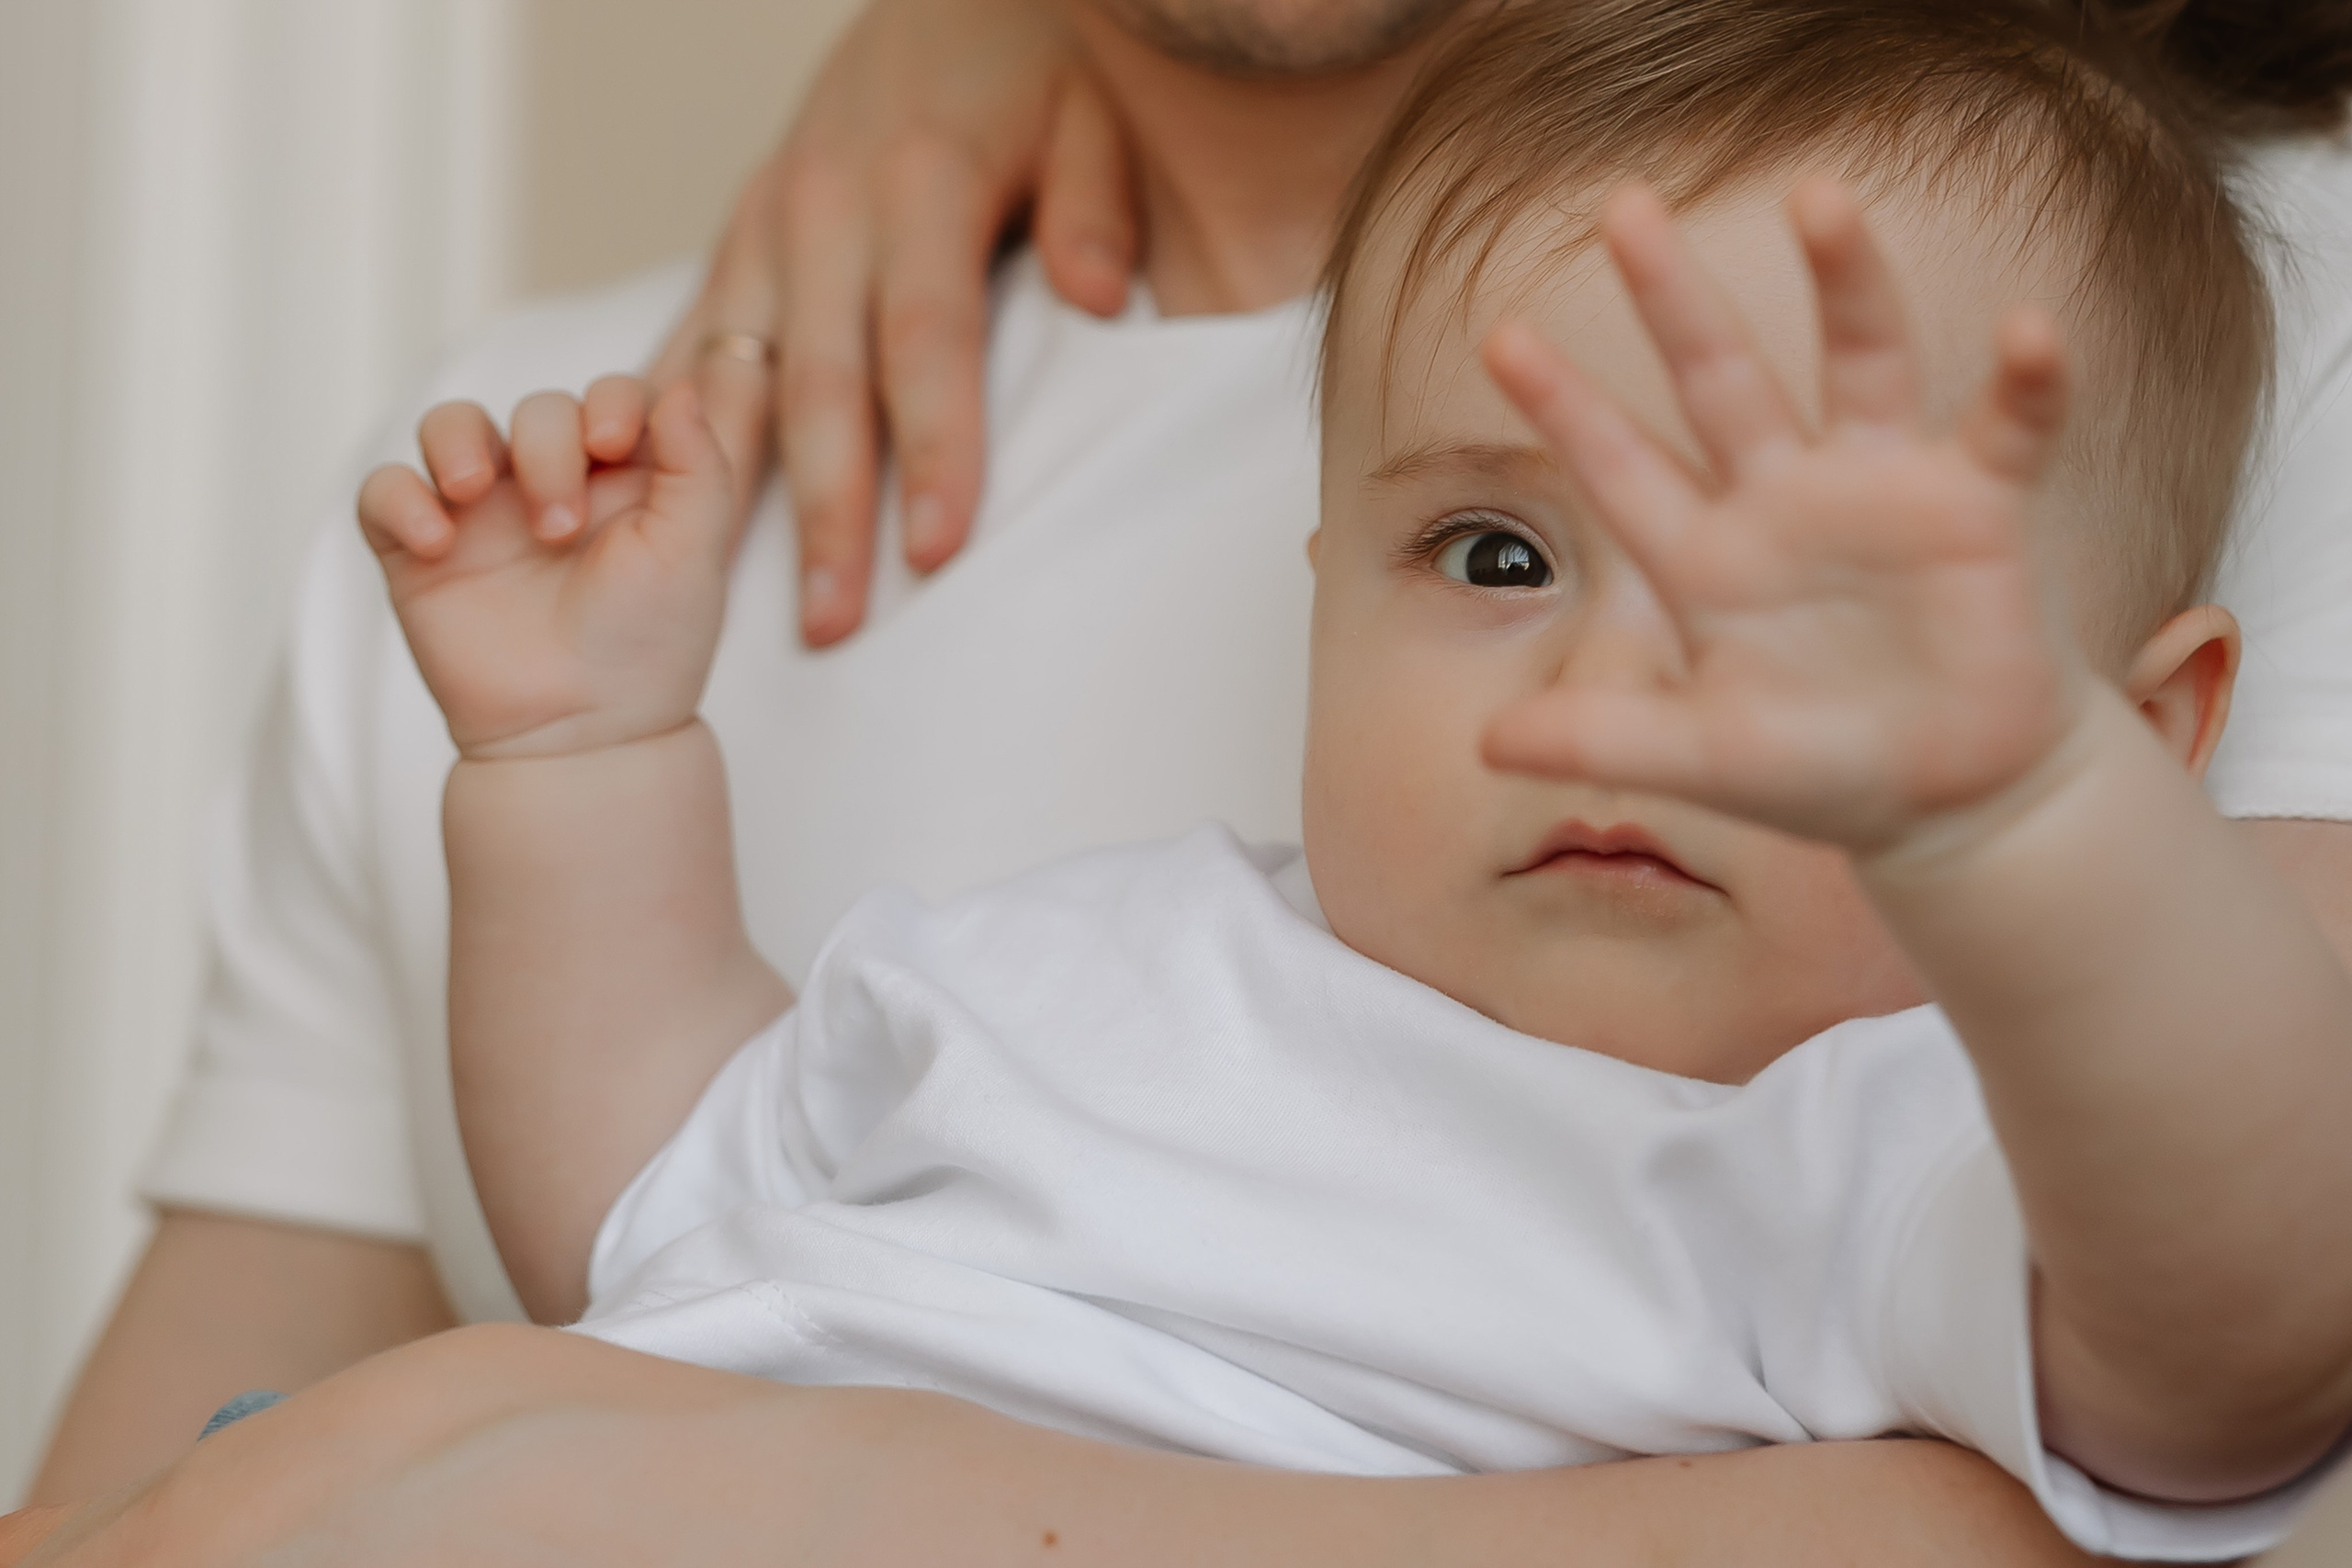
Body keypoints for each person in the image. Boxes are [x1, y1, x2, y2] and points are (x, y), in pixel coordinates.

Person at [16, 0, 2350, 1558]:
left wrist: (2032, 831)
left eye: (1807, 604)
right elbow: (650, 1189)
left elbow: (2237, 1343)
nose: (1626, 674)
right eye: (1495, 550)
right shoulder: (1105, 967)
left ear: (2146, 721)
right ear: (1314, 578)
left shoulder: (1879, 1144)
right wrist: (577, 751)